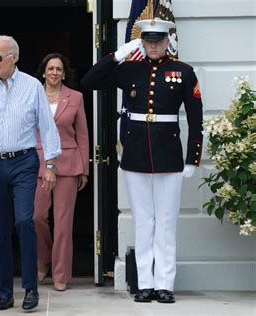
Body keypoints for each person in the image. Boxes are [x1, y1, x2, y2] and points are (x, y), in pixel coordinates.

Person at [81, 19, 203, 304]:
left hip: (169, 154)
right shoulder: (129, 68)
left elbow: (196, 119)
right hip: (135, 153)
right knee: (143, 221)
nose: (152, 45)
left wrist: (192, 158)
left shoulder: (183, 71)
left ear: (166, 42)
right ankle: (145, 283)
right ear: (142, 42)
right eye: (148, 41)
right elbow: (90, 82)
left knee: (166, 221)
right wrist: (117, 55)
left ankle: (165, 284)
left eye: (157, 41)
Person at [0, 35, 61, 311]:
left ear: (13, 57)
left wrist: (50, 164)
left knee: (25, 221)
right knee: (0, 230)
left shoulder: (32, 87)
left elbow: (47, 126)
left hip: (24, 162)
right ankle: (5, 292)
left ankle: (30, 288)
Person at [33, 53, 89, 291]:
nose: (54, 72)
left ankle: (61, 274)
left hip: (68, 163)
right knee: (36, 216)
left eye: (59, 69)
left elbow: (83, 134)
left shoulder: (75, 97)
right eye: (50, 68)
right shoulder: (32, 96)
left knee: (64, 223)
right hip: (37, 162)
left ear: (64, 74)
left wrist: (85, 168)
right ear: (43, 72)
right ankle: (43, 258)